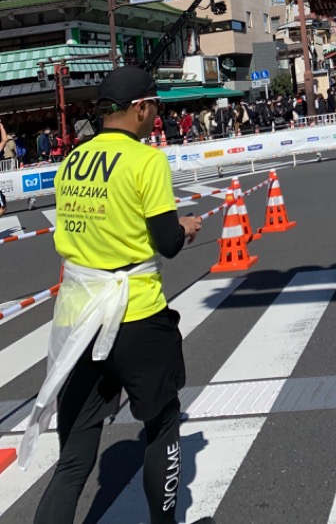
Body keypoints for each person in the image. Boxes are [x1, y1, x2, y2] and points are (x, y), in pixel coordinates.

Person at [25, 65, 208, 524]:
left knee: (74, 454)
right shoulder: (146, 161)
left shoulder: (72, 162)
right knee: (163, 422)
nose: (156, 117)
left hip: (80, 315)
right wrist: (185, 226)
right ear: (141, 108)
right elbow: (166, 242)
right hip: (136, 312)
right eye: (155, 108)